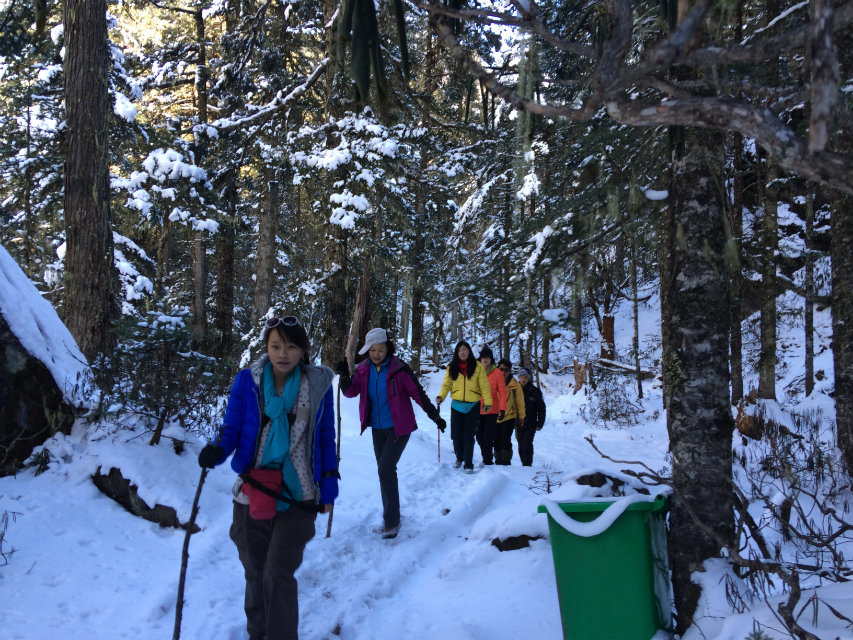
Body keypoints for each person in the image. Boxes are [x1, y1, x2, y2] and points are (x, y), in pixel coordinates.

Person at [197, 315, 338, 640]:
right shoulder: (248, 382)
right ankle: (256, 633)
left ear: (303, 350)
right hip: (253, 490)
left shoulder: (316, 386)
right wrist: (217, 451)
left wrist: (328, 489)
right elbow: (231, 428)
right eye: (276, 346)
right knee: (255, 573)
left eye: (291, 346)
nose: (283, 353)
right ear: (267, 348)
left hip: (299, 493)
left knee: (278, 572)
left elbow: (325, 438)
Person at [336, 328, 446, 539]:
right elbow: (351, 392)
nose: (376, 354)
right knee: (384, 471)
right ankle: (392, 516)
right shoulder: (364, 369)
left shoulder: (399, 369)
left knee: (386, 469)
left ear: (388, 348)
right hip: (377, 428)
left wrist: (436, 417)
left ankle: (392, 521)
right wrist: (343, 377)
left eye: (381, 349)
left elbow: (418, 394)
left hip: (399, 428)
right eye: (373, 350)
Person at [436, 340, 493, 472]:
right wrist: (441, 397)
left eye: (465, 349)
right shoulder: (452, 367)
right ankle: (459, 457)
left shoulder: (478, 366)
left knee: (468, 435)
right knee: (456, 435)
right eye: (460, 350)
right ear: (457, 352)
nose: (462, 352)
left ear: (469, 351)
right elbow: (446, 385)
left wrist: (488, 401)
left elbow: (484, 386)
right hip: (456, 406)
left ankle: (468, 463)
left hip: (473, 406)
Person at [476, 345, 507, 465]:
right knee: (479, 437)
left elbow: (502, 392)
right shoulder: (476, 371)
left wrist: (502, 409)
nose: (485, 360)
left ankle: (487, 461)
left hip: (492, 409)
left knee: (488, 437)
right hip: (477, 409)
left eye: (487, 357)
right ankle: (486, 458)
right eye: (483, 357)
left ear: (491, 359)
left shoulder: (497, 372)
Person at [494, 358, 526, 465]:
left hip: (509, 416)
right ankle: (498, 460)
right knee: (496, 440)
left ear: (510, 371)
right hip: (495, 416)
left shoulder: (515, 385)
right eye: (501, 369)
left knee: (505, 438)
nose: (503, 372)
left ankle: (506, 461)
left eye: (506, 370)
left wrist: (521, 417)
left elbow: (520, 402)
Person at [516, 367, 546, 466]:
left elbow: (541, 408)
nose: (523, 379)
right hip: (519, 422)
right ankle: (524, 463)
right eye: (520, 377)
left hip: (531, 423)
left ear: (528, 378)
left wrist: (540, 423)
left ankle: (527, 465)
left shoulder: (535, 391)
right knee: (520, 445)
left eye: (525, 377)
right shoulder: (515, 390)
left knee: (527, 444)